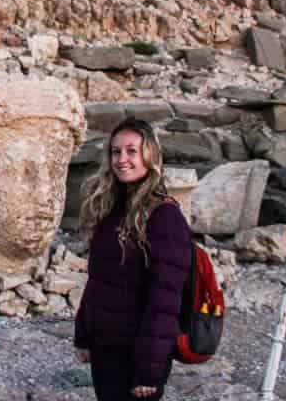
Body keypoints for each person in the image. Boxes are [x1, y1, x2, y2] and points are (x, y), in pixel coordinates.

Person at [73, 118, 192, 400]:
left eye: (131, 151)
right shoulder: (111, 209)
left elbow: (165, 300)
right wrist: (84, 335)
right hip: (106, 348)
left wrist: (149, 369)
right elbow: (98, 281)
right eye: (116, 152)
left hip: (140, 355)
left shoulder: (165, 216)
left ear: (149, 155)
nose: (122, 160)